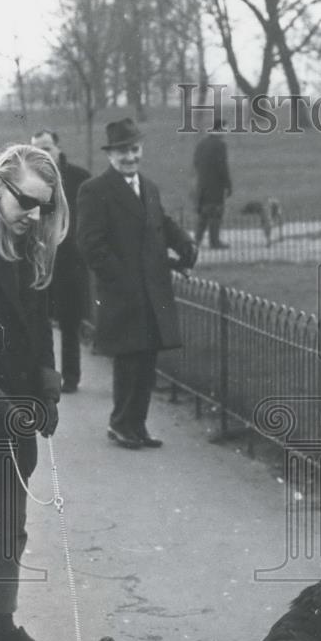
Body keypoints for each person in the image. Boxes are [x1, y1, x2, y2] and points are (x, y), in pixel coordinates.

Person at [0, 144, 69, 641]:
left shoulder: (27, 244)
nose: (35, 214)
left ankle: (2, 621)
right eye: (27, 201)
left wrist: (47, 382)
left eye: (44, 206)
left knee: (11, 519)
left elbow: (38, 317)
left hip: (19, 403)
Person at [76, 117, 197, 449]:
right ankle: (120, 425)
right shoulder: (95, 190)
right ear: (110, 155)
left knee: (147, 359)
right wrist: (119, 278)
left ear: (140, 149)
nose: (130, 157)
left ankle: (137, 425)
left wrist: (184, 244)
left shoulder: (149, 187)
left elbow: (163, 223)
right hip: (122, 292)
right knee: (128, 359)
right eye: (122, 152)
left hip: (152, 290)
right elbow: (89, 244)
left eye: (134, 149)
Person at [30, 129, 91, 393]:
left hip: (70, 263)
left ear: (58, 148)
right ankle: (41, 377)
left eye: (47, 148)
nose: (42, 154)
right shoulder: (29, 180)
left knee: (69, 323)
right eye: (36, 149)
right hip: (40, 261)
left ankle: (71, 377)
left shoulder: (79, 178)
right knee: (37, 323)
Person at [193, 118, 232, 249]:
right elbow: (222, 167)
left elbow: (196, 162)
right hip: (216, 185)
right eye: (226, 129)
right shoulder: (220, 145)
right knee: (216, 212)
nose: (226, 132)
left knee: (203, 213)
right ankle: (214, 241)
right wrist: (228, 184)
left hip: (202, 184)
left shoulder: (201, 143)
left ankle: (196, 240)